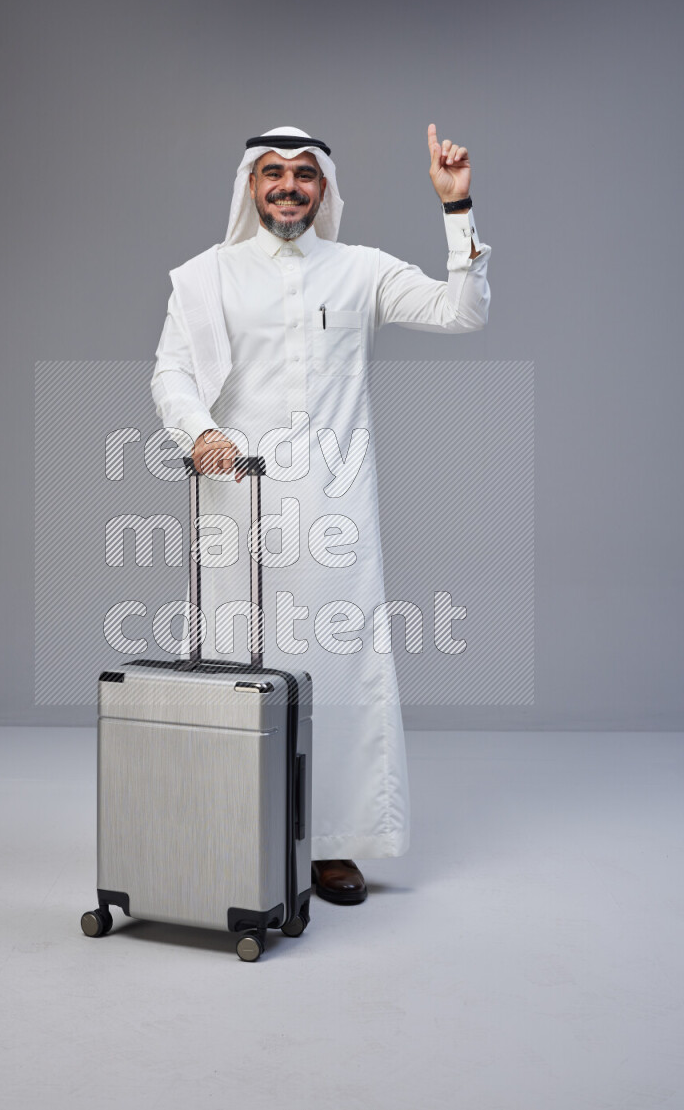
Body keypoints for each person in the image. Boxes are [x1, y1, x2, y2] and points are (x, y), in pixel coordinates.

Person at [151, 125, 491, 905]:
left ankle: (332, 844)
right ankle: (232, 828)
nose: (289, 187)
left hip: (336, 507)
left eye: (305, 175)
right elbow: (170, 371)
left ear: (325, 189)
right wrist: (200, 431)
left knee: (339, 669)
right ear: (250, 185)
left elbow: (461, 311)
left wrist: (457, 206)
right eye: (273, 173)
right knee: (235, 668)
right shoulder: (208, 277)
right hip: (238, 504)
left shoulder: (360, 270)